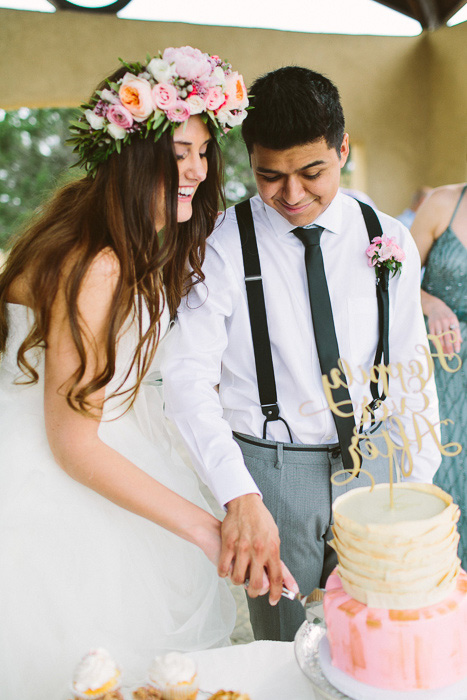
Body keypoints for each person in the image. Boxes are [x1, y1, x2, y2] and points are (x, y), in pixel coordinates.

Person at [0, 47, 257, 700]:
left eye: (203, 151)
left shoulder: (96, 230)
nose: (197, 170)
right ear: (132, 158)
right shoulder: (96, 264)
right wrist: (203, 527)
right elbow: (74, 443)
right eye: (178, 156)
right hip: (57, 479)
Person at [162, 66, 441, 642]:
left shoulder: (388, 236)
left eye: (312, 172)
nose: (291, 195)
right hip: (270, 471)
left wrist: (419, 480)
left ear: (342, 148)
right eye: (270, 176)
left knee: (378, 630)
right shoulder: (218, 244)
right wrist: (239, 493)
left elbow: (413, 362)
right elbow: (186, 379)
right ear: (249, 161)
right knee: (283, 647)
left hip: (379, 460)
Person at [411, 183, 467, 564]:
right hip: (440, 366)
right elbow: (391, 278)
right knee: (442, 472)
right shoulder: (443, 203)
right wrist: (430, 304)